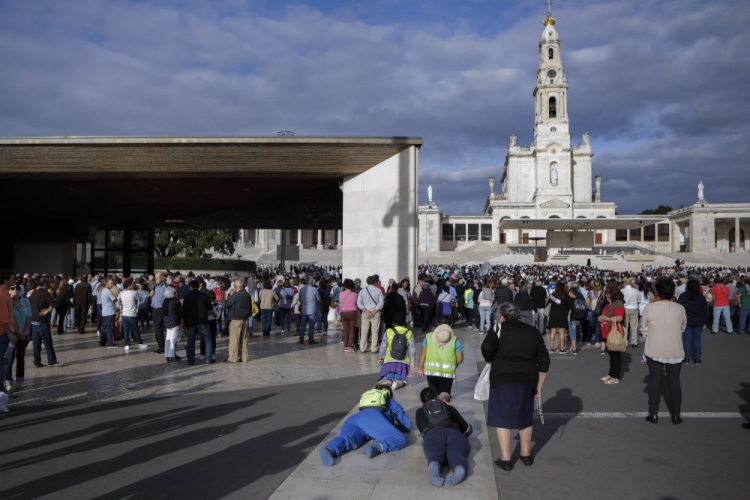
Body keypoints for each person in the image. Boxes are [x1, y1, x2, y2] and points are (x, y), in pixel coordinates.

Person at [481, 302, 549, 470]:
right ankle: (525, 454)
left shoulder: (498, 329)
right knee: (525, 415)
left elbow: (487, 347)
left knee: (502, 416)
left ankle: (506, 458)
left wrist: (491, 361)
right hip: (527, 377)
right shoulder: (533, 331)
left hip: (502, 375)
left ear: (502, 316)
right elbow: (544, 360)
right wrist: (539, 385)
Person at [319, 383, 413, 466]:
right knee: (399, 438)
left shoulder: (368, 398)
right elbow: (407, 425)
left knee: (347, 439)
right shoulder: (388, 399)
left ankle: (329, 449)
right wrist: (398, 425)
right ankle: (377, 447)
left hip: (353, 420)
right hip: (372, 418)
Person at [641, 277, 687, 424]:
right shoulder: (680, 308)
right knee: (674, 382)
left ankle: (653, 413)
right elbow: (683, 327)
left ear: (657, 292)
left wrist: (652, 333)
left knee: (655, 382)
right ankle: (676, 414)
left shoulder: (650, 308)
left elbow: (644, 328)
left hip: (655, 347)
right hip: (675, 348)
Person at [416, 387, 473, 487]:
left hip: (433, 434)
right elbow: (467, 430)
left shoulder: (419, 412)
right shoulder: (449, 407)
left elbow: (423, 430)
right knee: (457, 455)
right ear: (437, 397)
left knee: (434, 454)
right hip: (454, 433)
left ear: (421, 401)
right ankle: (459, 468)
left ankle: (434, 470)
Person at [417, 316, 463, 395]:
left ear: (438, 324)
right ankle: (444, 406)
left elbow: (423, 353)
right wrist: (454, 363)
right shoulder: (455, 339)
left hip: (431, 371)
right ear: (450, 325)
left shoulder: (428, 337)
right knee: (445, 396)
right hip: (448, 372)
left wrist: (420, 368)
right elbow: (460, 358)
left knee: (433, 394)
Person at [377, 312, 415, 390]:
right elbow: (412, 348)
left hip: (389, 360)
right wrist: (412, 361)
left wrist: (381, 357)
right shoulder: (409, 333)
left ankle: (387, 382)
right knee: (401, 380)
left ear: (394, 322)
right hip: (402, 361)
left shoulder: (388, 331)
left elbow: (383, 346)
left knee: (389, 377)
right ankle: (397, 383)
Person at [29, 278, 62, 366]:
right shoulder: (45, 293)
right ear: (45, 284)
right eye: (49, 283)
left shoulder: (34, 293)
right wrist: (48, 310)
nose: (50, 285)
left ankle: (36, 361)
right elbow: (53, 303)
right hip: (42, 320)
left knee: (36, 343)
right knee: (47, 341)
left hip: (34, 320)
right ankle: (52, 361)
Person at [182, 279, 213, 365]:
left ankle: (191, 360)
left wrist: (183, 322)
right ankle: (208, 359)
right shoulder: (204, 296)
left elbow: (184, 310)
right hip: (202, 321)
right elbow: (209, 307)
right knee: (207, 340)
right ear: (198, 286)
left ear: (191, 286)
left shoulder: (187, 296)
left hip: (191, 322)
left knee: (191, 341)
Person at [6, 281, 30, 392]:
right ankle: (8, 382)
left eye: (17, 288)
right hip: (10, 335)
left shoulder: (25, 301)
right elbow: (9, 320)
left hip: (23, 335)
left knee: (21, 358)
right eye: (12, 288)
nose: (15, 290)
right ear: (8, 291)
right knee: (9, 359)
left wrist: (24, 332)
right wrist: (17, 332)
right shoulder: (7, 302)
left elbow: (29, 317)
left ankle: (19, 381)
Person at [599, 282, 625, 384]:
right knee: (611, 355)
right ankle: (611, 373)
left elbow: (619, 318)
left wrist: (605, 318)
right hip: (607, 332)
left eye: (607, 293)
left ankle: (615, 376)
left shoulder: (618, 304)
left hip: (613, 332)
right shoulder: (609, 304)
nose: (606, 295)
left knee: (615, 355)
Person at [678, 279, 708, 364]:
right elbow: (705, 311)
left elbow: (679, 307)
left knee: (686, 340)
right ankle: (697, 358)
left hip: (687, 319)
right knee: (697, 340)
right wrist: (705, 321)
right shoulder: (701, 297)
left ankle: (686, 358)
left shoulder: (683, 296)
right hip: (698, 320)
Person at [225, 278, 252, 362]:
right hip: (245, 319)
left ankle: (233, 358)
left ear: (235, 286)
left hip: (236, 319)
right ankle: (244, 357)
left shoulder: (236, 295)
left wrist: (231, 295)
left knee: (234, 339)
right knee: (243, 339)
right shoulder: (247, 294)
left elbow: (228, 304)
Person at [118, 278, 148, 351]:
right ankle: (139, 343)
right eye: (132, 284)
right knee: (135, 330)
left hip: (124, 314)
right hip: (132, 314)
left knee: (126, 330)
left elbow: (118, 301)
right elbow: (138, 301)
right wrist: (137, 309)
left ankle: (127, 344)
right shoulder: (134, 292)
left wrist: (121, 308)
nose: (133, 285)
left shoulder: (121, 293)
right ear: (129, 285)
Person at [357, 276, 383, 351]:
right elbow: (381, 302)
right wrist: (375, 310)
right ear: (375, 282)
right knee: (375, 331)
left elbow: (359, 302)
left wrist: (364, 310)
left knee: (364, 331)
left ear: (367, 281)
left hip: (366, 311)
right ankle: (374, 348)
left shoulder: (362, 291)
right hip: (375, 311)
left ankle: (362, 347)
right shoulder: (378, 290)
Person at [546, 283, 572, 353]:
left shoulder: (553, 295)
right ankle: (562, 349)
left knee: (553, 331)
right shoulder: (566, 295)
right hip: (563, 315)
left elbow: (547, 303)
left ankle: (551, 348)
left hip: (553, 314)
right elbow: (569, 306)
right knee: (562, 332)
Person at [162, 286, 183, 363]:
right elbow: (179, 312)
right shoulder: (174, 302)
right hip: (174, 322)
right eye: (174, 293)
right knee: (173, 340)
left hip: (167, 322)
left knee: (168, 339)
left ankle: (167, 355)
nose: (175, 294)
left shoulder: (165, 301)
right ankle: (172, 356)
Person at [298, 278, 320, 345]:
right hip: (312, 309)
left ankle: (301, 338)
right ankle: (310, 339)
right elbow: (318, 298)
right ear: (311, 282)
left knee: (303, 325)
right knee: (311, 325)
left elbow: (299, 300)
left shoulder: (301, 289)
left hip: (304, 309)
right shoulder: (314, 289)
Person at [338, 279, 359, 353]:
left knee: (345, 330)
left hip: (343, 312)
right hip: (352, 312)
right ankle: (350, 347)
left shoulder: (341, 293)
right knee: (351, 330)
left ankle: (345, 346)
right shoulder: (355, 294)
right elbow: (357, 303)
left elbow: (340, 302)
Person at [150, 272, 167, 354]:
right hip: (154, 309)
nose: (156, 279)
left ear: (162, 278)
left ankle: (162, 347)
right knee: (156, 329)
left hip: (161, 310)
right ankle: (160, 346)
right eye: (155, 277)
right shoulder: (155, 286)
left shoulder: (166, 287)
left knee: (158, 328)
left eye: (158, 277)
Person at [621, 278, 641, 347]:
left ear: (624, 283)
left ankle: (625, 342)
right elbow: (639, 301)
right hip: (634, 308)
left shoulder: (622, 291)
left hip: (625, 308)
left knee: (625, 326)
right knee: (634, 326)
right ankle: (634, 342)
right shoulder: (636, 291)